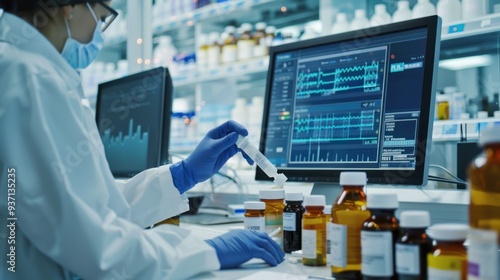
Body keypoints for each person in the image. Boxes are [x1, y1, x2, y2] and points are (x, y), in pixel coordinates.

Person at [0, 1, 284, 279]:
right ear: (69, 6)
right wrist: (205, 251)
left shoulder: (22, 66)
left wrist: (181, 175)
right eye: (101, 17)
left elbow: (91, 209)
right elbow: (94, 246)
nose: (100, 31)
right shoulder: (29, 76)